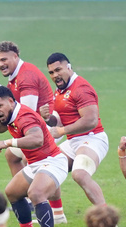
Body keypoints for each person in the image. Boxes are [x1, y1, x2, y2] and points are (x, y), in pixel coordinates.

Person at [0, 41, 63, 222]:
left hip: (43, 127)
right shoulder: (17, 74)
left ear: (15, 56)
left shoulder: (26, 77)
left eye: (4, 59)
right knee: (13, 156)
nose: (1, 64)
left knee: (31, 157)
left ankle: (39, 203)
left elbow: (25, 111)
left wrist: (9, 139)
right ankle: (49, 208)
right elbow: (7, 100)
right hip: (38, 124)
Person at [0, 86, 66, 227]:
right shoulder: (11, 115)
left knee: (36, 193)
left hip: (53, 161)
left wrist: (7, 143)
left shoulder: (25, 116)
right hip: (36, 163)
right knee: (12, 192)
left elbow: (37, 139)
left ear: (11, 101)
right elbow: (0, 128)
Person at [45, 53, 107, 210]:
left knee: (80, 174)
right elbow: (59, 119)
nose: (55, 75)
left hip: (92, 139)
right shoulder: (60, 90)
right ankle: (57, 215)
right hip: (74, 142)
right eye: (51, 72)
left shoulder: (81, 88)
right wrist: (48, 118)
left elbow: (91, 121)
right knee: (47, 167)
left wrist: (62, 131)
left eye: (58, 70)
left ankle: (107, 217)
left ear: (69, 67)